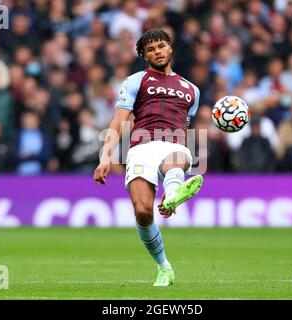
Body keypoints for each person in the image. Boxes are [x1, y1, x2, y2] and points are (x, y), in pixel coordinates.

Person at [93, 29, 203, 287]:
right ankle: (164, 266)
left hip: (175, 145)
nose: (158, 51)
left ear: (170, 48)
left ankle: (173, 192)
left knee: (174, 158)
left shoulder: (192, 90)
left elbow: (184, 126)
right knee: (143, 211)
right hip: (141, 149)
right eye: (151, 49)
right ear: (144, 55)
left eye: (162, 46)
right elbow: (118, 121)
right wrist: (105, 157)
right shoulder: (135, 81)